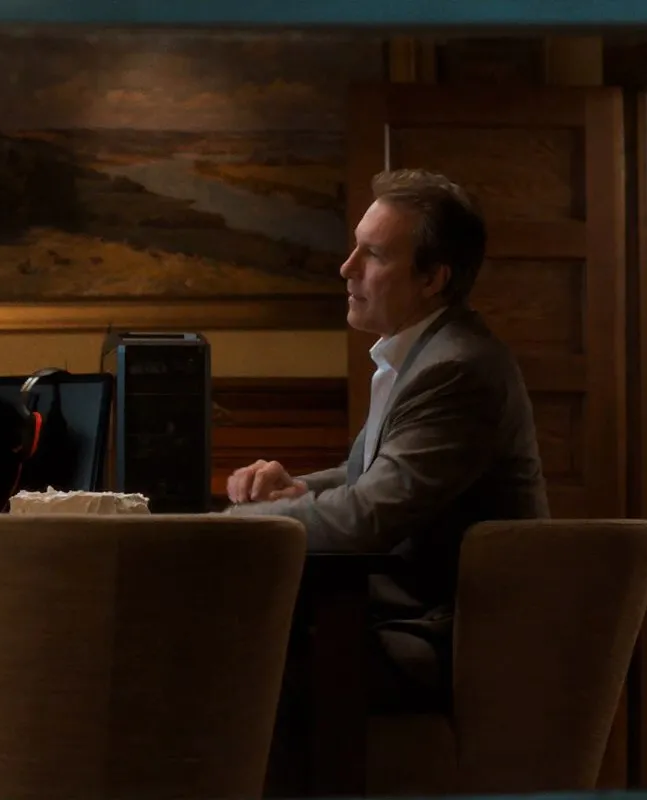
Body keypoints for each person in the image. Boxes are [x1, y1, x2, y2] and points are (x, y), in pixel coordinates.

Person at [225, 169, 549, 712]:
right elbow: (379, 477)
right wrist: (298, 488)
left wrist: (236, 525)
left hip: (446, 638)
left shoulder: (458, 368)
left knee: (228, 655)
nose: (346, 267)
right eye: (355, 248)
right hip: (390, 615)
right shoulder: (424, 353)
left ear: (432, 279)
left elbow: (367, 516)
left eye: (373, 255)